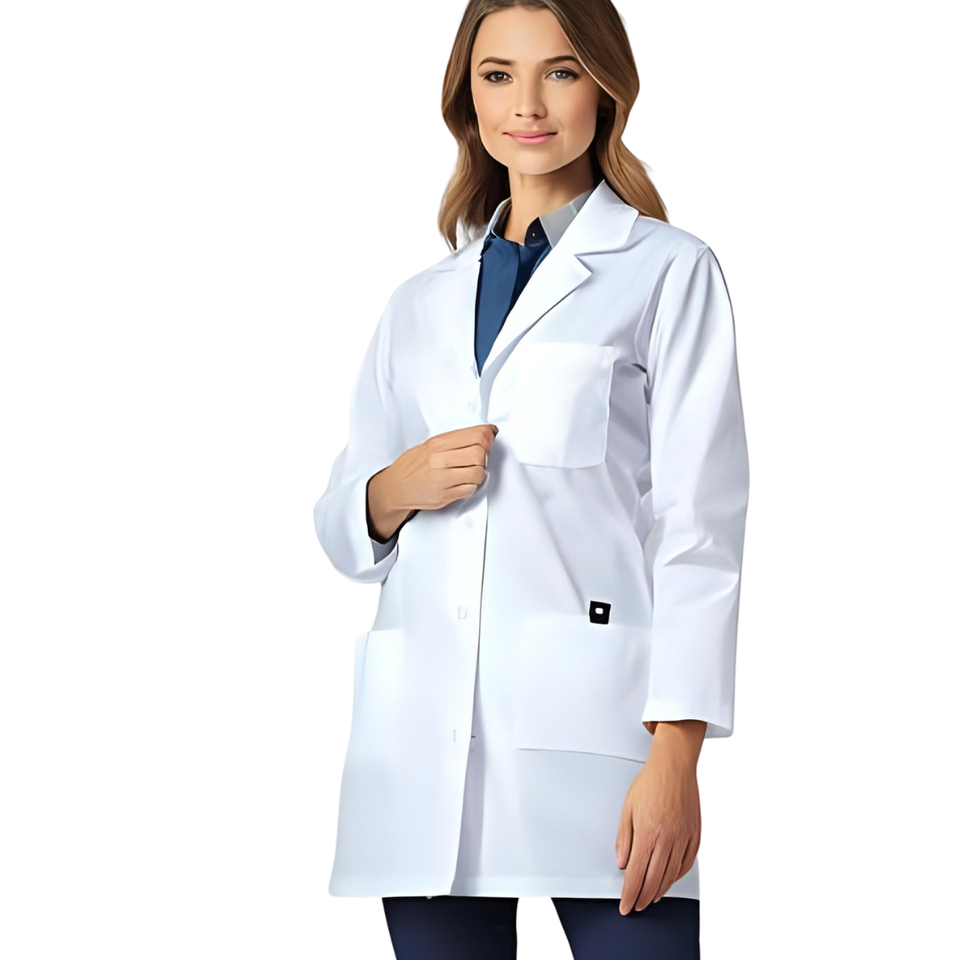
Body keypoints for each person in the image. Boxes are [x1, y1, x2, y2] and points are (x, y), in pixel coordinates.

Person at [312, 1, 749, 956]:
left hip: (597, 741)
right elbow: (345, 522)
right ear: (466, 98)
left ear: (605, 86)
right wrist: (397, 488)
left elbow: (700, 529)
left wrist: (677, 756)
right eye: (498, 75)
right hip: (418, 751)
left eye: (560, 71)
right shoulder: (417, 303)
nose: (528, 106)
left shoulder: (668, 271)